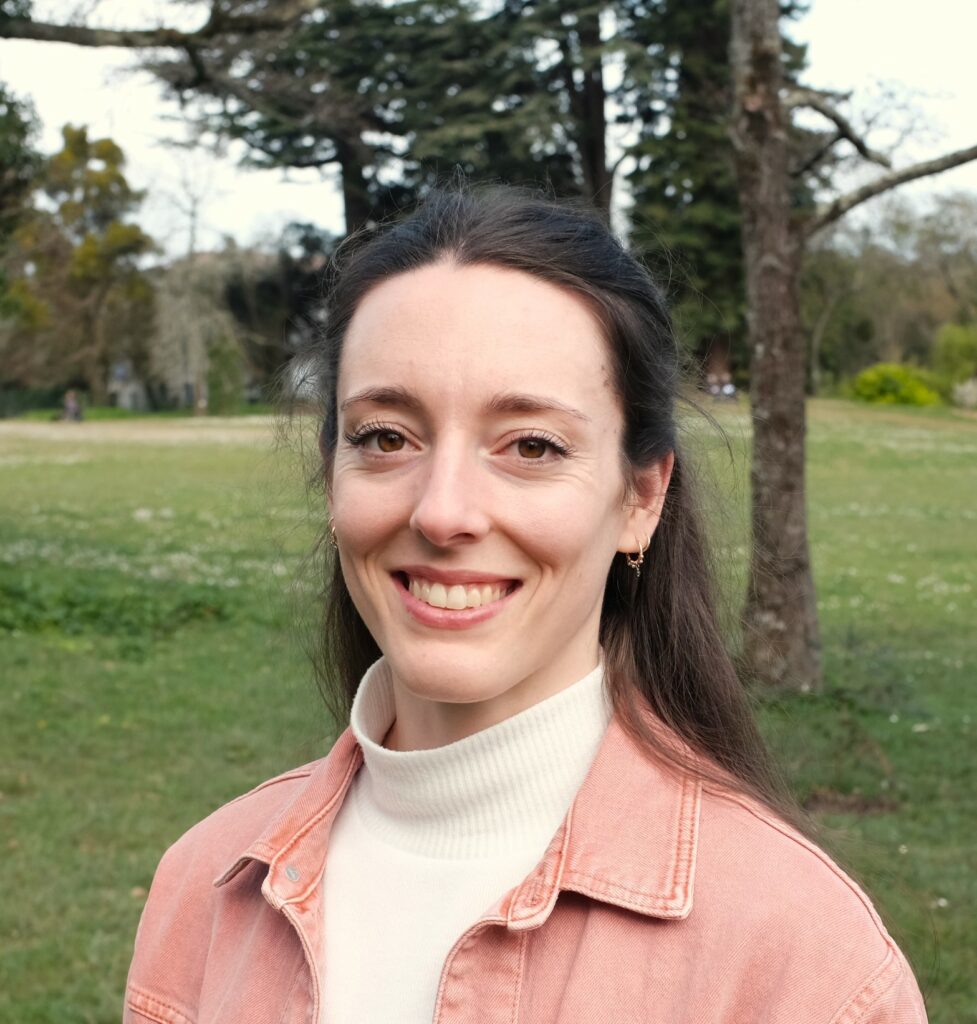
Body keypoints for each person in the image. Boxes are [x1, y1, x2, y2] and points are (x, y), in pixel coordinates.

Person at [123, 187, 926, 1024]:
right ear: (331, 474)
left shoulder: (801, 963)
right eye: (384, 436)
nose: (441, 512)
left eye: (531, 445)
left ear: (639, 499)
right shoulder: (202, 887)